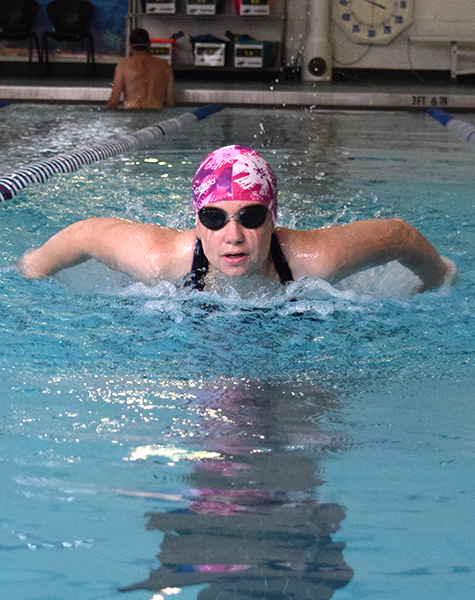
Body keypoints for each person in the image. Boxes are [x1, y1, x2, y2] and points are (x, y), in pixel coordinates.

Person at [17, 145, 456, 293]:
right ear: (196, 222)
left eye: (250, 216)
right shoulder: (159, 260)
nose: (233, 235)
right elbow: (84, 234)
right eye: (214, 217)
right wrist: (32, 269)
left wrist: (436, 281)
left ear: (273, 218)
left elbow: (401, 235)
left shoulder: (313, 260)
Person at [107, 28, 175, 110]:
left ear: (131, 46)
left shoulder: (123, 65)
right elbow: (170, 101)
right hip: (156, 115)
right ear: (149, 45)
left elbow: (114, 101)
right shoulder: (165, 65)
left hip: (132, 113)